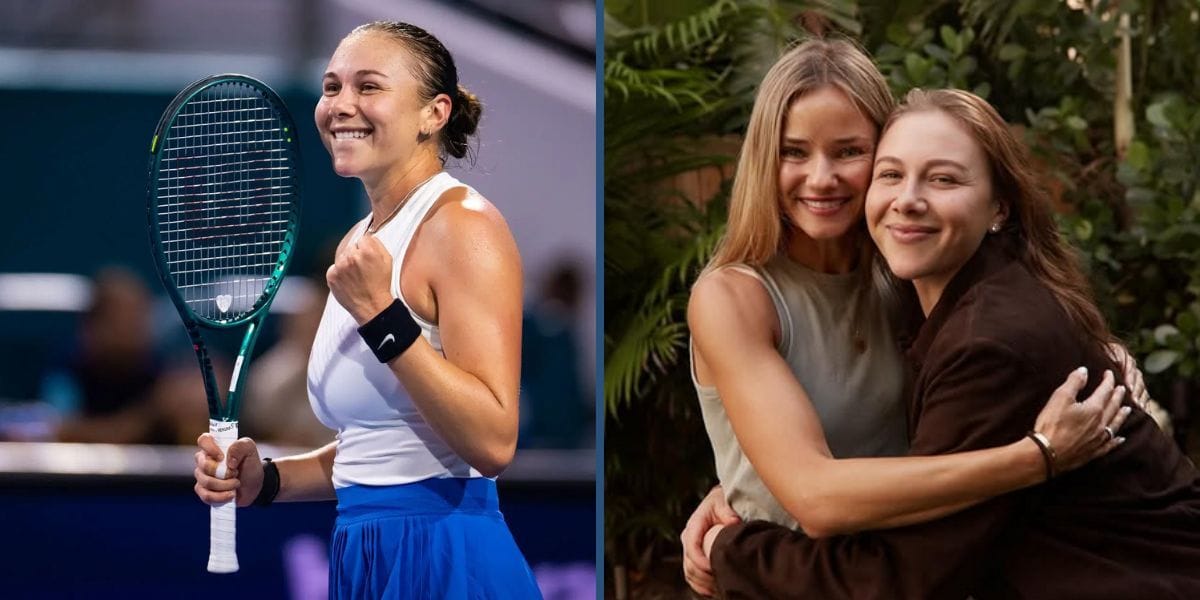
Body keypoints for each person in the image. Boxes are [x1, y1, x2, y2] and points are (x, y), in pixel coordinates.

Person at [681, 38, 1149, 596]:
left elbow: (1014, 327)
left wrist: (1103, 357)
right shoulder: (732, 298)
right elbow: (815, 496)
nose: (822, 176)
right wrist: (1035, 457)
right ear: (763, 159)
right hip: (796, 580)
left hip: (897, 569)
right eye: (794, 151)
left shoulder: (902, 271)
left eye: (850, 151)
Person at [191, 21, 542, 598]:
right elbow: (378, 448)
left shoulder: (462, 225)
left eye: (369, 87)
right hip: (362, 548)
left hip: (446, 553)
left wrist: (383, 316)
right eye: (331, 87)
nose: (341, 106)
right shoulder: (362, 239)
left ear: (435, 113)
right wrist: (269, 479)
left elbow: (493, 440)